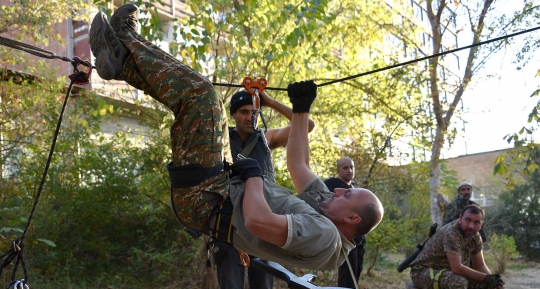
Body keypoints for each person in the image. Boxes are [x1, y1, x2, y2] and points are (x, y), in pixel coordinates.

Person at [89, 4, 383, 272]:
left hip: (208, 201)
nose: (339, 189)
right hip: (217, 190)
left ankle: (126, 40)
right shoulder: (324, 209)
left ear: (353, 219)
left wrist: (253, 175)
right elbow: (299, 164)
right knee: (192, 100)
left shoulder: (326, 237)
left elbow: (257, 221)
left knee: (202, 97)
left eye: (347, 195)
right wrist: (301, 109)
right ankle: (122, 62)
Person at [212, 90, 314, 289]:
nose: (250, 117)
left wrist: (267, 101)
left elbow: (307, 125)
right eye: (244, 112)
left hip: (263, 227)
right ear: (233, 115)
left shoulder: (267, 139)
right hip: (230, 228)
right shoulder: (220, 142)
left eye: (254, 112)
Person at [324, 157, 366, 289]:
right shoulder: (331, 185)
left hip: (358, 238)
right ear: (338, 170)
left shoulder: (354, 190)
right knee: (347, 274)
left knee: (356, 272)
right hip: (343, 237)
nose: (349, 170)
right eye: (345, 168)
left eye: (351, 167)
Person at [443, 181, 488, 289]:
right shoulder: (453, 206)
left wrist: (481, 240)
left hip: (472, 243)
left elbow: (480, 226)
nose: (466, 192)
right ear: (459, 192)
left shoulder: (475, 206)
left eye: (468, 189)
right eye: (463, 189)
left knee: (478, 268)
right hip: (456, 244)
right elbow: (446, 225)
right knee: (463, 270)